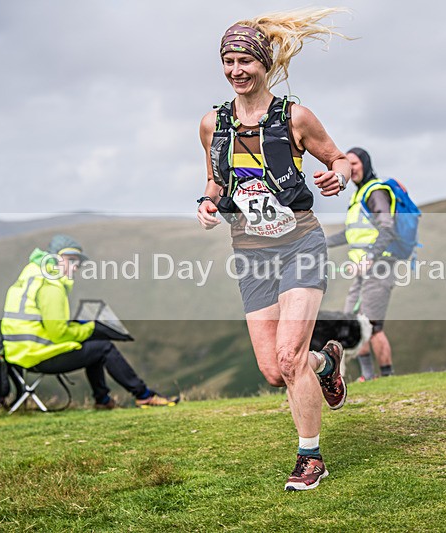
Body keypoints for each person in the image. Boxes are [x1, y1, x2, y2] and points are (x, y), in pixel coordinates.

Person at [196, 8, 352, 491]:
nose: (236, 70)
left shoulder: (295, 117)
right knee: (272, 370)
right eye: (228, 61)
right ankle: (327, 363)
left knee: (289, 357)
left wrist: (337, 176)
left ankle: (311, 457)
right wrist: (207, 201)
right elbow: (215, 179)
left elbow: (340, 159)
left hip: (299, 243)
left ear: (264, 64)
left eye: (245, 60)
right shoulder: (212, 123)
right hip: (250, 253)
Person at [0, 234, 177, 409]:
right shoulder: (52, 286)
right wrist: (91, 328)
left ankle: (103, 400)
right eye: (71, 260)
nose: (75, 267)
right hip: (36, 356)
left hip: (19, 353)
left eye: (78, 263)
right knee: (104, 347)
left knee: (95, 347)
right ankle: (143, 396)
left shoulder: (32, 277)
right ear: (55, 258)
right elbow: (58, 333)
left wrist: (79, 327)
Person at [326, 147, 398, 381]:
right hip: (362, 270)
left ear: (365, 164)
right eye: (347, 164)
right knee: (352, 321)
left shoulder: (375, 192)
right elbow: (351, 234)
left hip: (379, 267)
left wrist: (370, 258)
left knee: (372, 325)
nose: (351, 169)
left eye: (355, 163)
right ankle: (367, 376)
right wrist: (320, 243)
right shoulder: (358, 195)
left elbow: (387, 228)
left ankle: (387, 377)